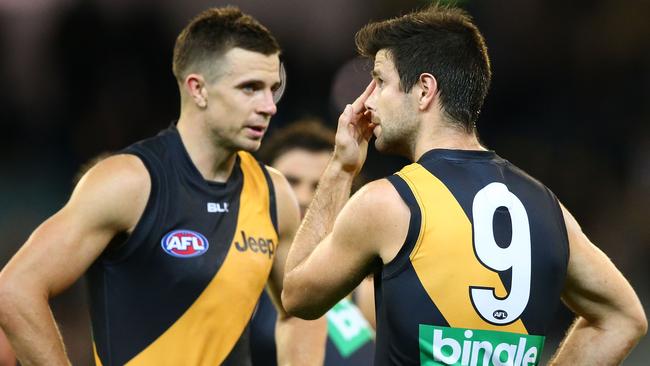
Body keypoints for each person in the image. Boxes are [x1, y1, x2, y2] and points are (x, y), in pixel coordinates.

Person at [281, 5, 647, 365]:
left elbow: (297, 297)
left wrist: (341, 169)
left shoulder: (389, 202)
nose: (368, 102)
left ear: (424, 90)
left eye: (379, 81)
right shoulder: (549, 208)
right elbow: (623, 319)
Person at [0, 7, 326, 366]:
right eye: (250, 88)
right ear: (197, 89)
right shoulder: (129, 183)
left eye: (272, 89)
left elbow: (302, 307)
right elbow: (15, 289)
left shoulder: (273, 191)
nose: (268, 107)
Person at [250, 119, 375, 366]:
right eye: (290, 182)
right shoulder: (238, 275)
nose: (303, 198)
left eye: (317, 187)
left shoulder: (366, 289)